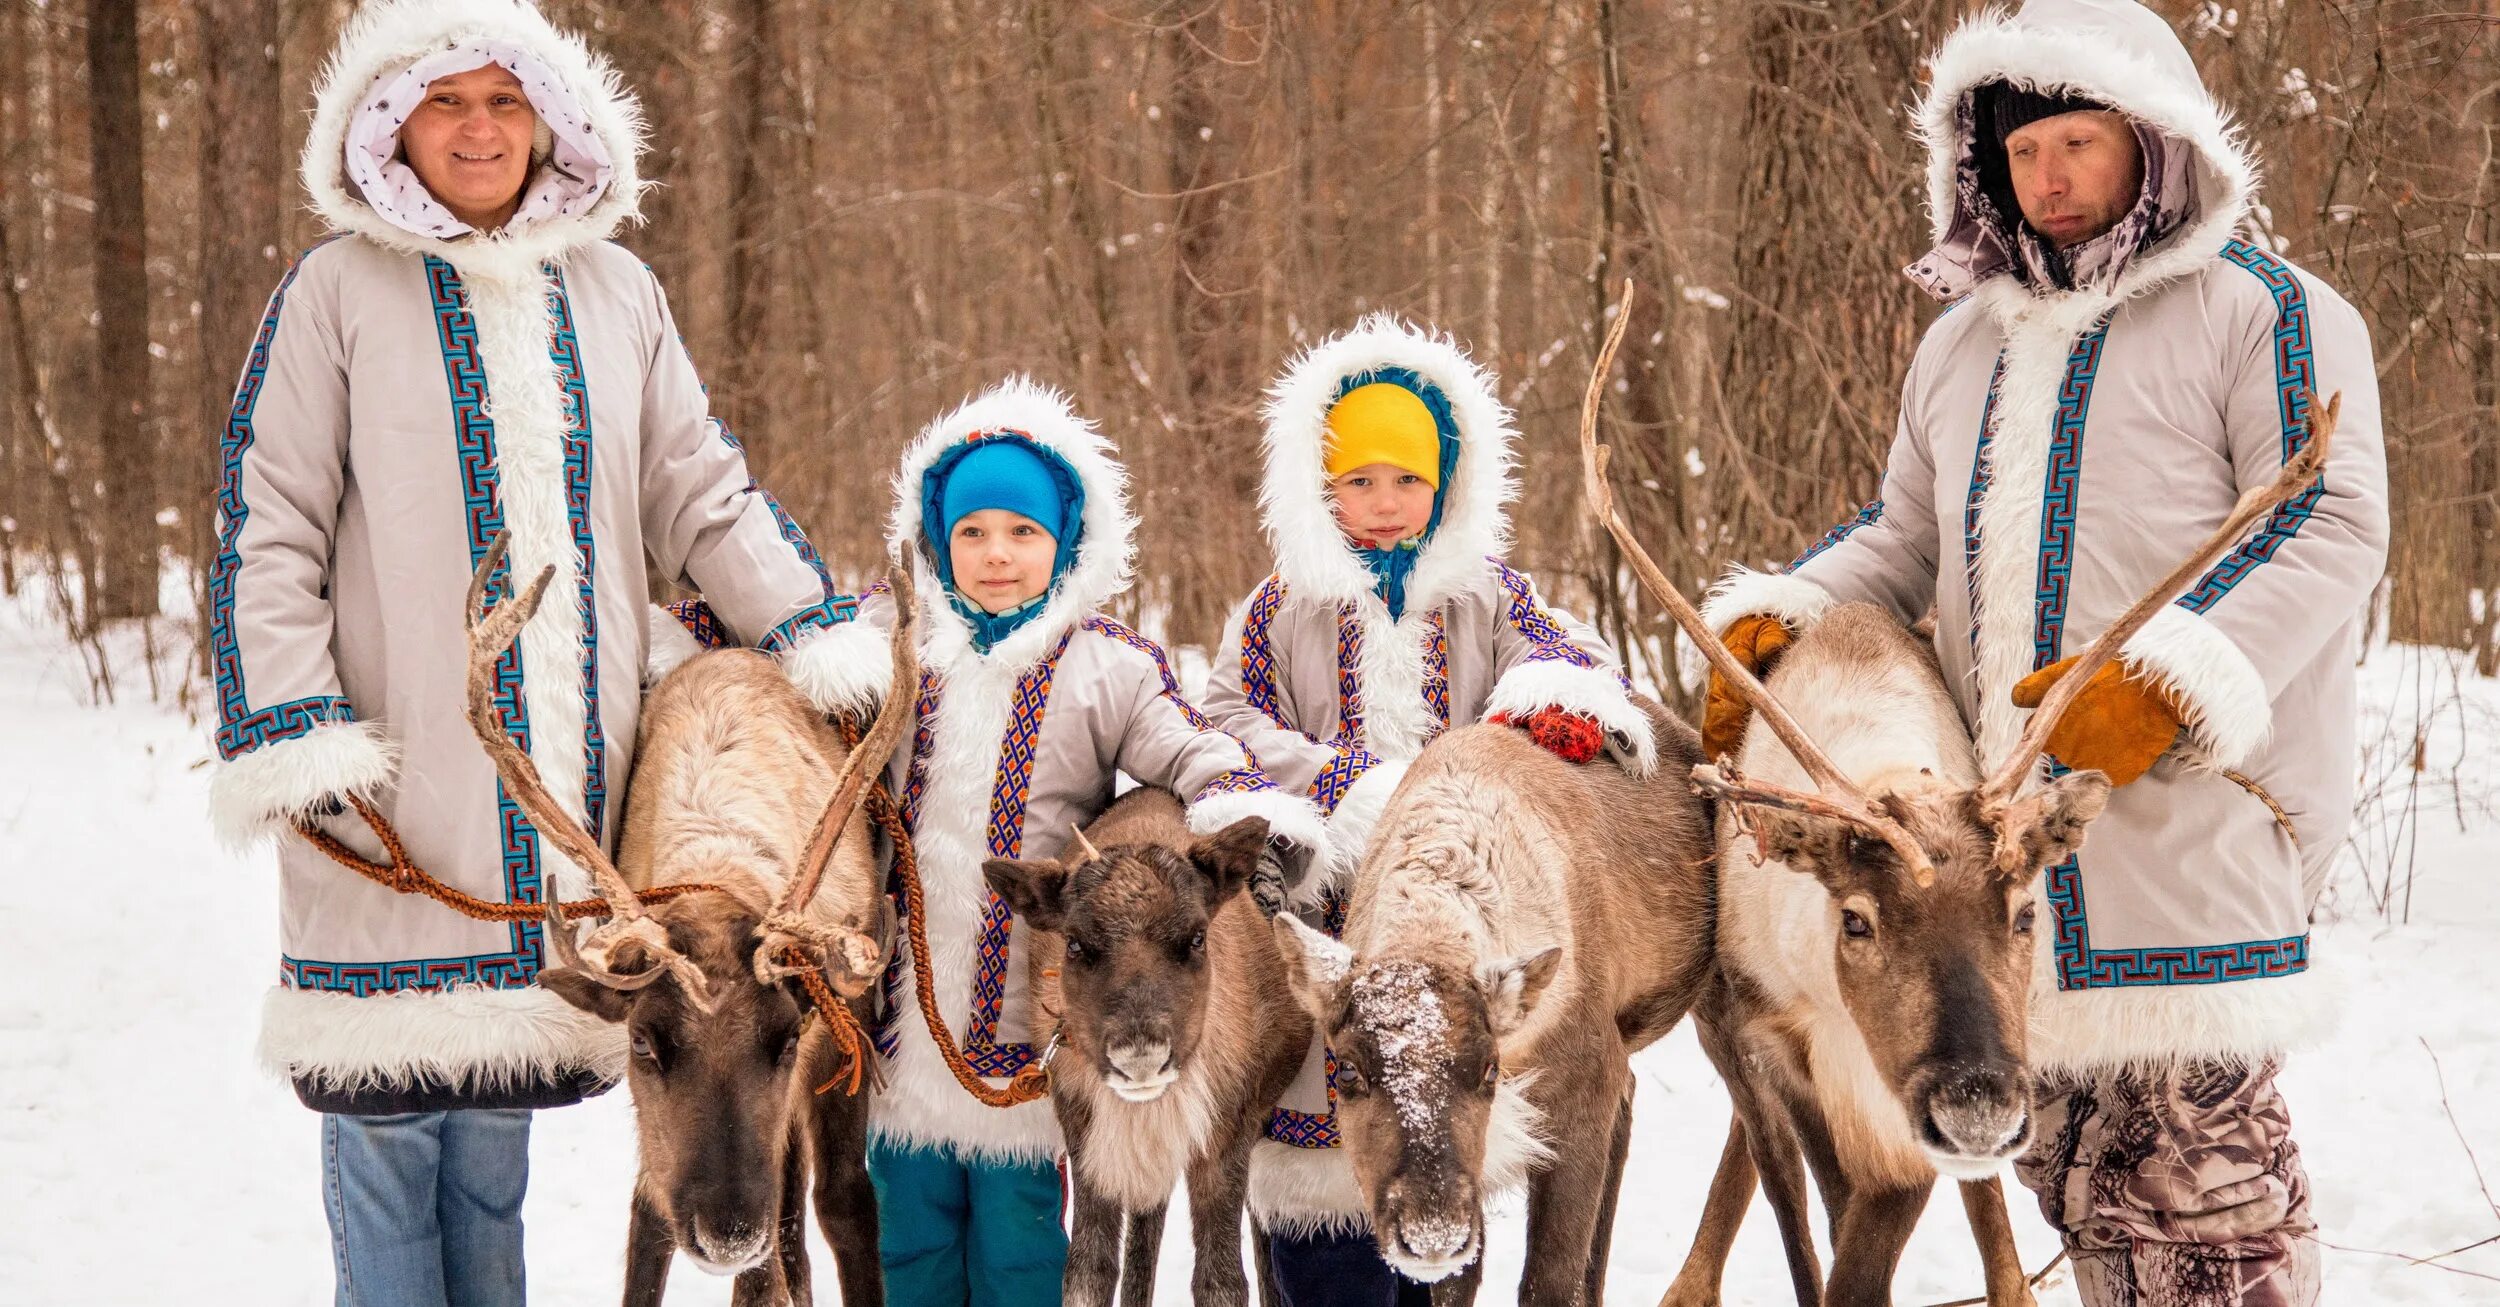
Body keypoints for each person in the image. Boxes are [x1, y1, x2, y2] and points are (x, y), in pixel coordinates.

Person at [1697, 3, 2387, 1302]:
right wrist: (1775, 620)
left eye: (2078, 142)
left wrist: (2175, 679)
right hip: (1996, 907)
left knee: (2209, 1218)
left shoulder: (2268, 312)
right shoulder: (1963, 347)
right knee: (2093, 1214)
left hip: (2192, 853)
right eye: (2025, 154)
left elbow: (2332, 514)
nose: (2051, 176)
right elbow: (1902, 537)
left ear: (2155, 138)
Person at [204, 2, 860, 1301]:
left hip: (553, 820)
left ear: (553, 119)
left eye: (506, 102)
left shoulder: (618, 292)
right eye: (446, 102)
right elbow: (264, 520)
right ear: (391, 124)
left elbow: (702, 493)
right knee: (388, 1142)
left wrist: (814, 636)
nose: (480, 129)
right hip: (385, 793)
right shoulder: (334, 290)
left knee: (490, 1155)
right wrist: (293, 727)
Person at [793, 377, 1331, 1305]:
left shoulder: (1106, 667)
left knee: (1020, 1252)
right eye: (972, 534)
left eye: (1023, 534)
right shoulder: (887, 648)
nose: (997, 556)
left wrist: (1241, 798)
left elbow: (1189, 746)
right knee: (907, 1243)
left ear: (1065, 544)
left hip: (1032, 1033)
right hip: (895, 1031)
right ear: (937, 543)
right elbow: (792, 705)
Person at [1197, 315, 1654, 1304]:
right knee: (1323, 1198)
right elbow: (1222, 717)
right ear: (1321, 488)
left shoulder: (1487, 594)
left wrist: (1536, 717)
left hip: (1459, 928)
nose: (1384, 502)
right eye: (1359, 480)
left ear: (1445, 483)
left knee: (1440, 1162)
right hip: (1322, 923)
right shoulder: (1280, 605)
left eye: (1406, 479)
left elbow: (1569, 662)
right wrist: (1341, 788)